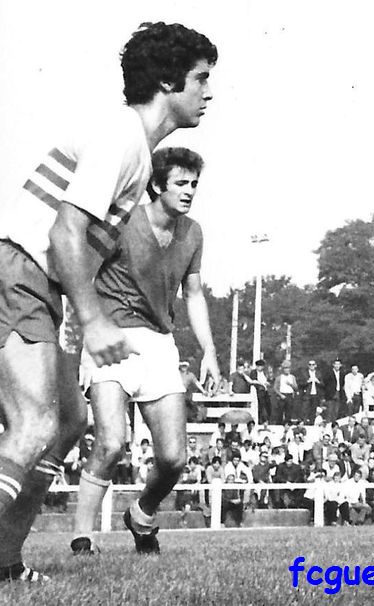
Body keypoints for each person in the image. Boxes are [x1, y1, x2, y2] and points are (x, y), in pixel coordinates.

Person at [0, 22, 216, 582]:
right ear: (168, 81)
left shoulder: (139, 155)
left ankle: (3, 561)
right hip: (21, 270)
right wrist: (92, 320)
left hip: (40, 285)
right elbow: (64, 236)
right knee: (35, 422)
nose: (208, 93)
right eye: (200, 79)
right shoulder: (122, 137)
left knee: (68, 423)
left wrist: (75, 311)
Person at [71, 146, 222, 556]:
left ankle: (140, 514)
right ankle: (82, 538)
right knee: (111, 444)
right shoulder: (122, 222)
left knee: (174, 458)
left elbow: (193, 294)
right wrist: (89, 331)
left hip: (159, 344)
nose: (189, 191)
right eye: (181, 183)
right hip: (112, 338)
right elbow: (80, 273)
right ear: (157, 185)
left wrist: (209, 351)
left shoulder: (193, 233)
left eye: (194, 184)